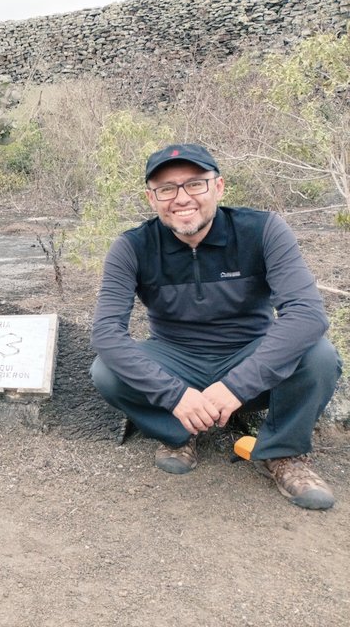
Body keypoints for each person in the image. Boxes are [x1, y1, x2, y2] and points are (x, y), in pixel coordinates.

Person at [90, 143, 343, 510]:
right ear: (151, 198)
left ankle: (283, 452)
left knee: (319, 356)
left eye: (195, 184)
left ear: (219, 187)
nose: (182, 198)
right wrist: (174, 395)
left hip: (249, 355)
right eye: (167, 189)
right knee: (106, 371)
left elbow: (307, 314)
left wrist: (237, 385)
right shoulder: (132, 247)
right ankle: (179, 432)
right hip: (176, 360)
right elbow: (106, 333)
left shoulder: (263, 231)